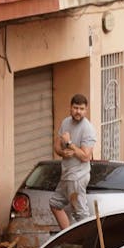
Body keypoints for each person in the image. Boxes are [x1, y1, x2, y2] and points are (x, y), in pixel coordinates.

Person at [50, 94, 97, 231]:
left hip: (77, 177)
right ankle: (68, 238)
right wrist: (62, 152)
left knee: (81, 214)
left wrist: (70, 144)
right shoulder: (65, 123)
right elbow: (57, 146)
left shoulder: (88, 128)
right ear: (70, 108)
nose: (78, 111)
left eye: (81, 109)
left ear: (86, 110)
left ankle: (87, 245)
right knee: (55, 204)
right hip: (66, 175)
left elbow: (85, 156)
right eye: (75, 108)